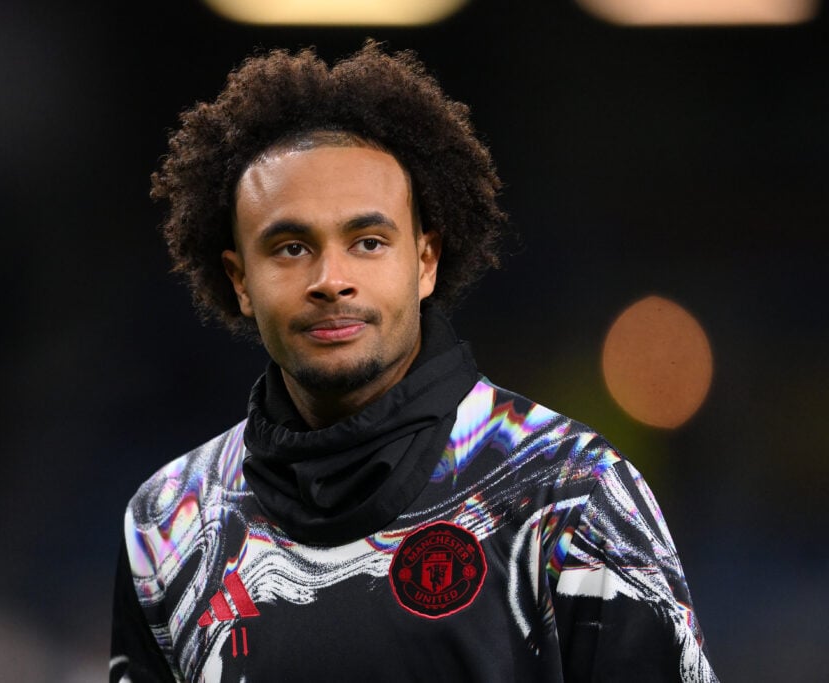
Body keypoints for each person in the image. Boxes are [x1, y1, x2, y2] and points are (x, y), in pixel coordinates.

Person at [110, 41, 717, 682]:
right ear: (239, 280)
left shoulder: (570, 494)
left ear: (424, 261)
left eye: (368, 242)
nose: (331, 279)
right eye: (290, 248)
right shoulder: (169, 523)